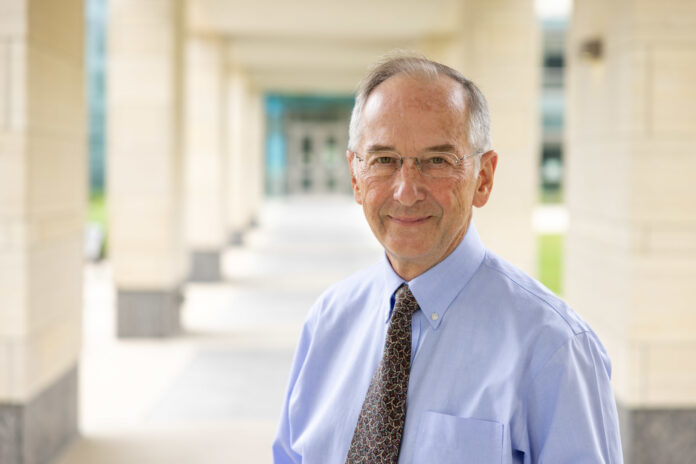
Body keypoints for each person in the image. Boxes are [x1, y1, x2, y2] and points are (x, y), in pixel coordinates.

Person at [273, 53, 623, 463]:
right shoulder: (327, 322)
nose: (406, 191)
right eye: (384, 160)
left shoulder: (554, 349)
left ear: (484, 178)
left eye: (437, 161)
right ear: (355, 176)